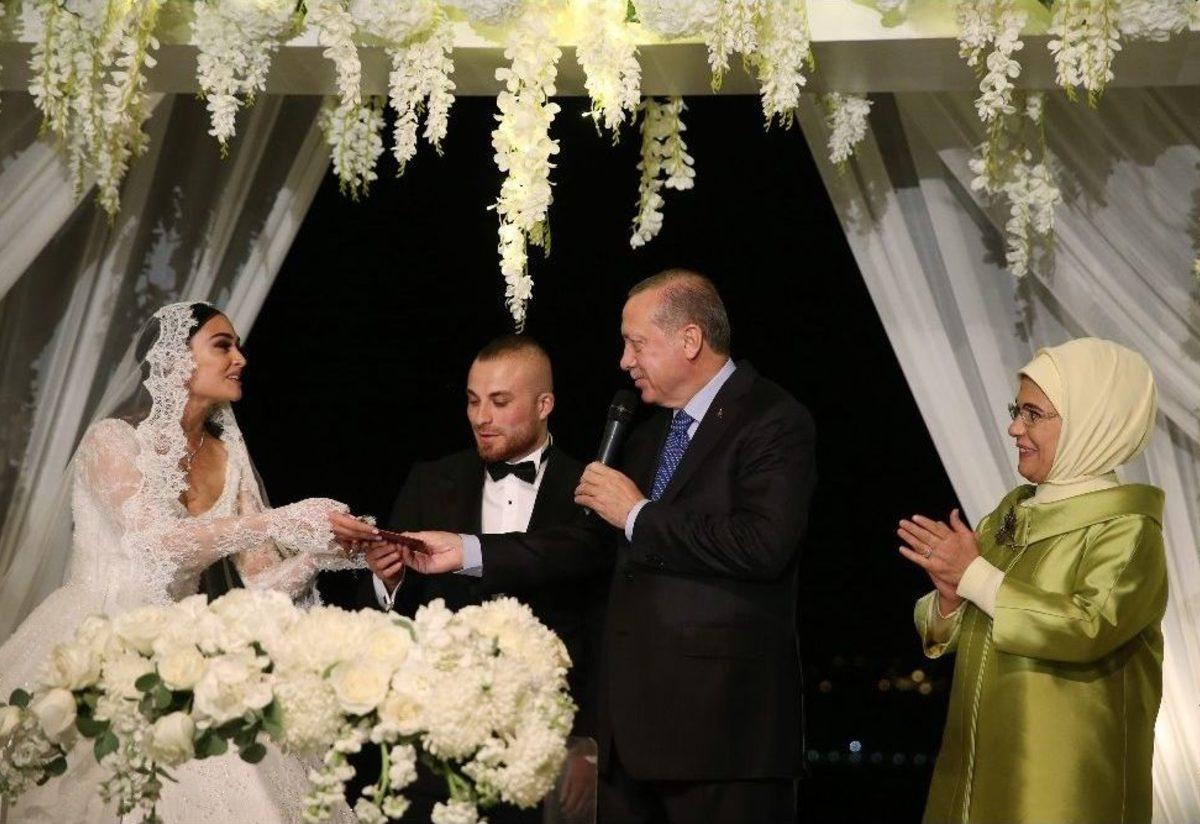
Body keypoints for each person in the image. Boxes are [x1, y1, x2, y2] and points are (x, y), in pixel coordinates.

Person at [395, 270, 817, 824]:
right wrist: (469, 551)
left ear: (690, 340)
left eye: (636, 343)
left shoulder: (772, 419)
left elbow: (763, 544)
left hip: (725, 735)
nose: (624, 360)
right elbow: (584, 546)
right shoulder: (647, 437)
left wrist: (638, 514)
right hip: (632, 744)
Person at [0, 301, 378, 823]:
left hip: (188, 654)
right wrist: (282, 521)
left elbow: (257, 587)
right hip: (98, 639)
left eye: (237, 347)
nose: (240, 359)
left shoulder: (229, 456)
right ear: (175, 359)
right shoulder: (113, 440)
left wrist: (320, 552)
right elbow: (156, 545)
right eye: (223, 346)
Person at [898, 337, 1166, 824]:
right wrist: (950, 598)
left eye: (1033, 414)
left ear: (1091, 421)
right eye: (1016, 410)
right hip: (974, 769)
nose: (1014, 428)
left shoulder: (1126, 529)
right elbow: (959, 625)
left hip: (1060, 786)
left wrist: (974, 575)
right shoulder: (1011, 513)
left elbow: (1087, 627)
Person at [344, 334, 608, 823]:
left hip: (545, 750)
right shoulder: (430, 480)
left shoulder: (589, 491)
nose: (481, 417)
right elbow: (376, 617)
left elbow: (603, 628)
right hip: (435, 750)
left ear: (544, 405)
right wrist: (387, 582)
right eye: (472, 400)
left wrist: (589, 747)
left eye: (499, 402)